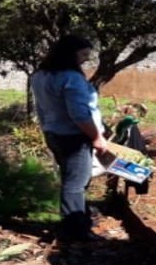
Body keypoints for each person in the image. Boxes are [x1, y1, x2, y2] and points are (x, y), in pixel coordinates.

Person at [30, 34, 109, 242]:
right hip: (75, 136)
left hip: (53, 133)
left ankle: (80, 222)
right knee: (76, 183)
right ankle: (75, 231)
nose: (85, 59)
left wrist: (46, 129)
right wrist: (97, 137)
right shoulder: (71, 78)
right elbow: (79, 114)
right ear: (69, 54)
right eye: (83, 54)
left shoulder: (40, 75)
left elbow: (40, 108)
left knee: (70, 178)